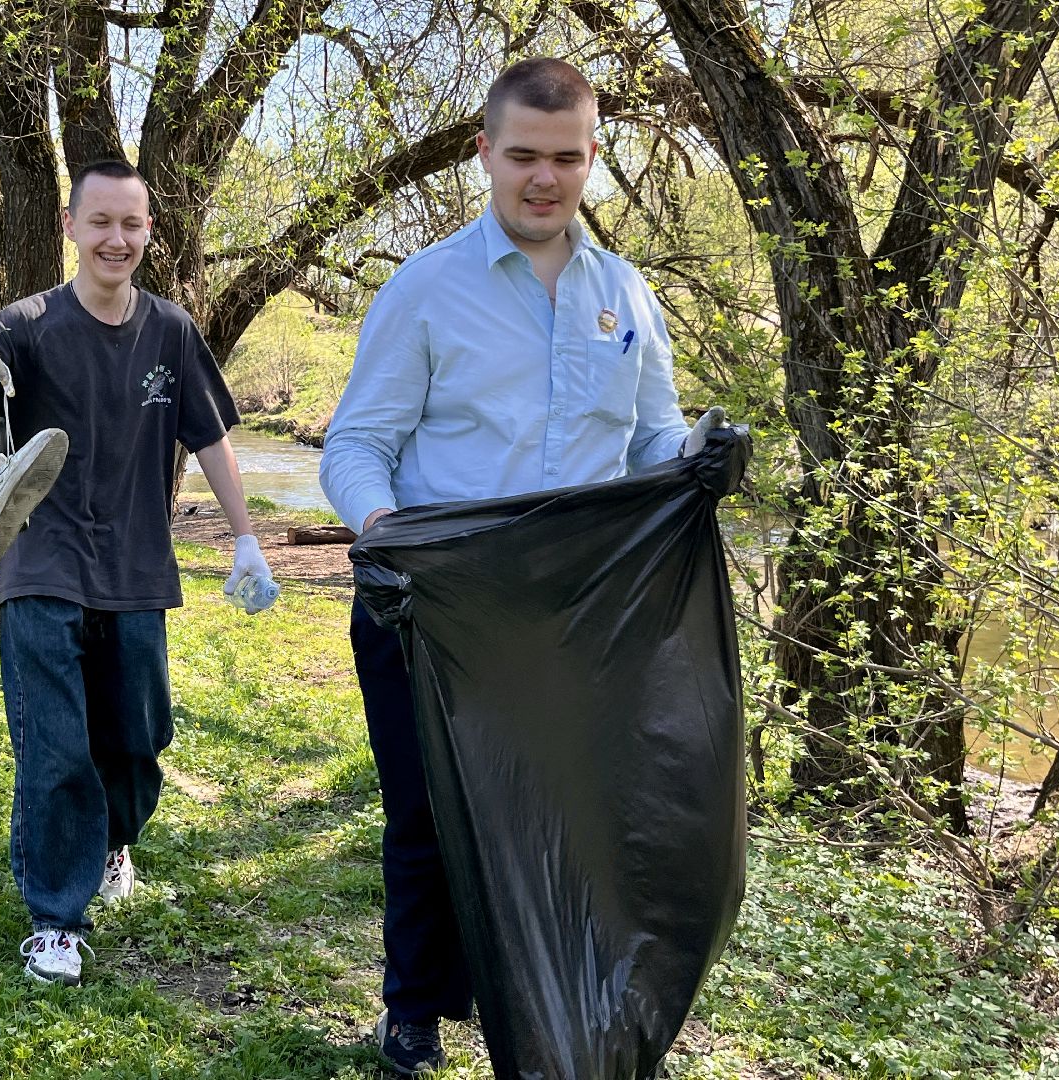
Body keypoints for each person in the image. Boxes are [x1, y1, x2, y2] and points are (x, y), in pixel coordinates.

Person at [318, 57, 729, 1075]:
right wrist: (385, 534)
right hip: (432, 607)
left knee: (573, 813)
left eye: (566, 158)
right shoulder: (425, 291)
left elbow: (651, 443)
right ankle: (416, 1010)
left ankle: (569, 1004)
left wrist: (702, 457)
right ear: (484, 154)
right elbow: (356, 445)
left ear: (592, 157)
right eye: (523, 156)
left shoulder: (624, 294)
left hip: (574, 617)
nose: (544, 179)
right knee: (429, 814)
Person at [0, 159, 274, 986]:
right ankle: (55, 919)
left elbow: (210, 436)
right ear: (70, 227)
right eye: (100, 221)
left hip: (137, 568)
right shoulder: (26, 326)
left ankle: (110, 841)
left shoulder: (171, 331)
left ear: (148, 231)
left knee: (139, 740)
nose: (117, 238)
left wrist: (247, 537)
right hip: (39, 561)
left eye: (131, 223)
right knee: (55, 746)